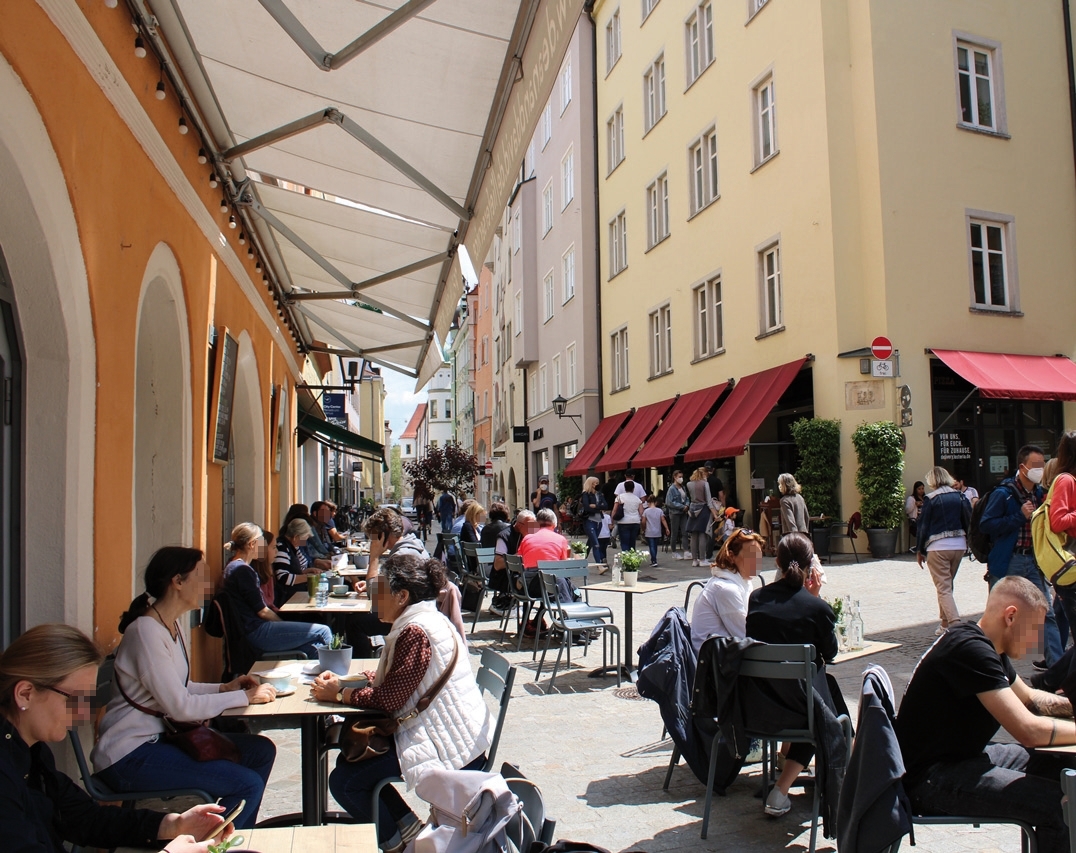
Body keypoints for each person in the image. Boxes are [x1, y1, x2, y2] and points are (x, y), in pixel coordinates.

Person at [0, 623, 239, 853]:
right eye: (74, 699)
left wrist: (174, 825)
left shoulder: (32, 752)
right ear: (25, 694)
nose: (83, 714)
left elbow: (85, 819)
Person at [314, 554, 493, 853]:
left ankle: (397, 844)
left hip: (446, 743)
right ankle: (406, 826)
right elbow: (400, 677)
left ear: (402, 596)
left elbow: (390, 699)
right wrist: (348, 681)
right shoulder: (424, 620)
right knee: (351, 764)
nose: (374, 597)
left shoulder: (415, 631)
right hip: (454, 732)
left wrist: (337, 695)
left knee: (346, 781)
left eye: (380, 590)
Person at [92, 548, 278, 828]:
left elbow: (182, 687)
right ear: (177, 581)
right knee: (246, 785)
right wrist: (243, 697)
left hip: (158, 743)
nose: (209, 584)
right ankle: (214, 845)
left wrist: (223, 688)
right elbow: (179, 706)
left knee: (260, 751)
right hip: (128, 756)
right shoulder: (146, 632)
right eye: (201, 576)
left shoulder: (169, 626)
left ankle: (234, 836)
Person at [895, 576, 1076, 853]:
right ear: (1011, 617)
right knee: (1058, 807)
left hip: (964, 759)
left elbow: (1029, 700)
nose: (1037, 641)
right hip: (930, 779)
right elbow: (1028, 730)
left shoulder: (987, 645)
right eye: (1035, 630)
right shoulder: (971, 650)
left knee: (1059, 766)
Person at [746, 532, 838, 818]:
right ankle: (792, 788)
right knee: (825, 709)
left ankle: (784, 785)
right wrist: (815, 598)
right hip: (801, 713)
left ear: (778, 562)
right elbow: (831, 653)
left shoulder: (757, 599)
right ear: (811, 566)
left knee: (822, 696)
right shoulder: (816, 608)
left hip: (760, 707)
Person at [979, 444, 1062, 667]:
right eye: (1036, 465)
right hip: (1009, 561)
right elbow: (986, 524)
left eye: (1042, 464)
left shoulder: (1039, 493)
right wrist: (1018, 516)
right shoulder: (1004, 493)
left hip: (1033, 561)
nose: (1041, 469)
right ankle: (991, 667)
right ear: (1023, 467)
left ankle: (1058, 670)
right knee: (998, 618)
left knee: (1045, 614)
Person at [222, 522, 332, 659]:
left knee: (313, 648)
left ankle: (319, 677)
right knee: (324, 631)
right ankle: (334, 677)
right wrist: (283, 624)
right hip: (257, 632)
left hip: (252, 630)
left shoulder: (234, 567)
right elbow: (262, 611)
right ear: (252, 544)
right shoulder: (242, 570)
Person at [915, 467, 972, 636]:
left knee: (943, 587)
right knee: (947, 585)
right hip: (959, 545)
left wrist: (920, 550)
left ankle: (955, 625)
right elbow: (968, 519)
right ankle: (944, 622)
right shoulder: (960, 496)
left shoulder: (930, 499)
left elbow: (923, 526)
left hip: (937, 546)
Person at [691, 528, 765, 655]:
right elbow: (745, 634)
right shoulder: (726, 589)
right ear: (731, 556)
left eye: (759, 556)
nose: (756, 563)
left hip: (726, 657)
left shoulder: (743, 581)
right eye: (751, 556)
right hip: (713, 665)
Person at [1047, 432, 1076, 650]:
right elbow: (1058, 521)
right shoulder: (1066, 480)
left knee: (1059, 612)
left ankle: (1050, 676)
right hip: (1071, 562)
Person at [273, 517, 323, 606]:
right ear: (296, 537)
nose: (305, 542)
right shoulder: (282, 548)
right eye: (304, 539)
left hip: (298, 593)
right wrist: (310, 577)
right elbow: (283, 577)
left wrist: (308, 571)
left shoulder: (294, 546)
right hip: (289, 598)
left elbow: (296, 569)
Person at [479, 502, 513, 615]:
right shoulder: (508, 530)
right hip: (498, 570)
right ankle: (505, 601)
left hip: (485, 568)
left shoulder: (484, 530)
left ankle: (501, 600)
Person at [686, 467, 717, 567]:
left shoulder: (689, 484)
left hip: (692, 509)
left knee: (694, 535)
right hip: (703, 510)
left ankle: (694, 560)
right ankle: (702, 559)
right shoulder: (705, 484)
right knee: (702, 535)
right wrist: (715, 514)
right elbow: (709, 501)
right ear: (703, 474)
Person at [579, 476, 609, 565]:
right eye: (595, 483)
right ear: (590, 484)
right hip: (589, 520)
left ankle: (581, 561)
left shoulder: (599, 494)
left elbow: (606, 506)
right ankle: (599, 565)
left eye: (597, 483)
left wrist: (595, 506)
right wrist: (599, 507)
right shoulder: (586, 494)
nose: (596, 485)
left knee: (590, 542)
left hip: (599, 521)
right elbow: (587, 507)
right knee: (596, 544)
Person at [612, 480, 644, 553]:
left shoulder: (620, 497)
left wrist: (612, 521)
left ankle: (626, 558)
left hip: (623, 522)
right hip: (635, 521)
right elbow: (641, 512)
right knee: (632, 542)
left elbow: (614, 510)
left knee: (624, 542)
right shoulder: (637, 499)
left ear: (625, 488)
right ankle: (632, 557)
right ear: (633, 488)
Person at [703, 462, 726, 559]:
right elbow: (721, 496)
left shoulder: (701, 481)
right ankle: (709, 553)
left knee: (702, 530)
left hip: (702, 507)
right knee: (712, 530)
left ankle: (700, 553)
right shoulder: (717, 481)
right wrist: (723, 507)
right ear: (713, 469)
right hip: (715, 508)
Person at [665, 471, 689, 561]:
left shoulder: (683, 487)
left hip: (683, 512)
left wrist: (687, 505)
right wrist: (682, 506)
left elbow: (686, 498)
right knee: (674, 533)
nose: (681, 478)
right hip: (675, 512)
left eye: (682, 476)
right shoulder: (671, 489)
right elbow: (669, 502)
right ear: (675, 477)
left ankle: (686, 551)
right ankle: (674, 552)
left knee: (685, 531)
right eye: (679, 476)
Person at [642, 496, 669, 568]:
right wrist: (667, 528)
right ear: (656, 502)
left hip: (649, 531)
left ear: (648, 502)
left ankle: (653, 560)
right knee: (655, 546)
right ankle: (654, 559)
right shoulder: (659, 511)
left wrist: (643, 529)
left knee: (651, 546)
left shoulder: (646, 511)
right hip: (657, 531)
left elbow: (643, 522)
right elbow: (663, 520)